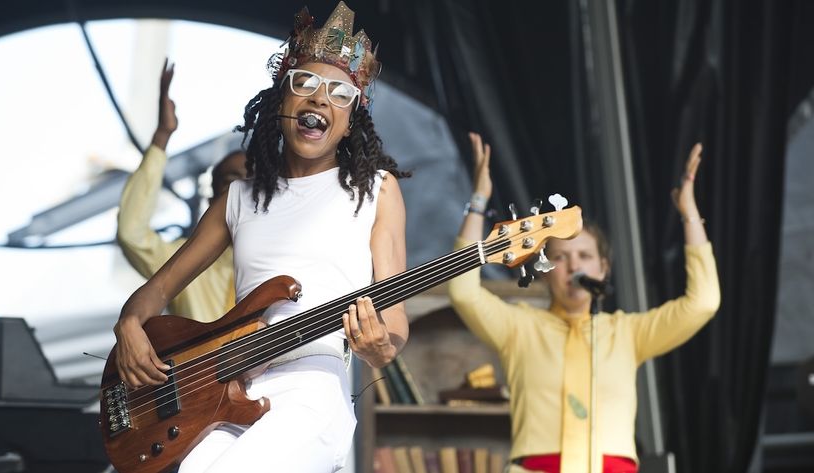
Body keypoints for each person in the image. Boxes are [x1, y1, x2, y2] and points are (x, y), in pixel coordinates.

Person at [112, 2, 409, 471]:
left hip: (313, 387)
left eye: (338, 93)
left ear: (350, 119)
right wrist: (129, 323)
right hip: (231, 390)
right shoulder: (236, 199)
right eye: (305, 85)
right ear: (281, 101)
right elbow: (158, 290)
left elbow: (394, 322)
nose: (318, 100)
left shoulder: (376, 191)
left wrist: (381, 347)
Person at [448, 133, 721, 473]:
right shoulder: (520, 328)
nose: (575, 266)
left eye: (585, 256)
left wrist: (689, 213)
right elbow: (463, 291)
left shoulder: (627, 333)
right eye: (561, 257)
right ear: (546, 271)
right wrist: (478, 201)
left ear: (603, 268)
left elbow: (703, 303)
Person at [116, 59, 246, 322]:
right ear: (213, 197)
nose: (244, 192)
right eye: (233, 182)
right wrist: (162, 136)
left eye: (254, 183)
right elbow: (132, 234)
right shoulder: (184, 261)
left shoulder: (280, 258)